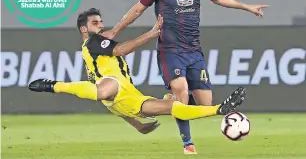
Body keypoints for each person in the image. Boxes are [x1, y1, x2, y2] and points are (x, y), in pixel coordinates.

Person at [101, 0, 268, 154]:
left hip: (194, 52)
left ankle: (170, 101)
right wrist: (115, 31)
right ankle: (188, 143)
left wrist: (247, 7)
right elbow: (137, 9)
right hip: (170, 51)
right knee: (181, 91)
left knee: (205, 103)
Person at [28, 8, 246, 138]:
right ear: (84, 29)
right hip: (112, 86)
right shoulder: (93, 43)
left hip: (129, 97)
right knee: (106, 88)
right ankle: (54, 85)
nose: (101, 26)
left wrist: (137, 125)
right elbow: (121, 48)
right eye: (95, 23)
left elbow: (116, 106)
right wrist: (152, 33)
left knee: (175, 108)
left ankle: (220, 109)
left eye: (101, 22)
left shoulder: (100, 44)